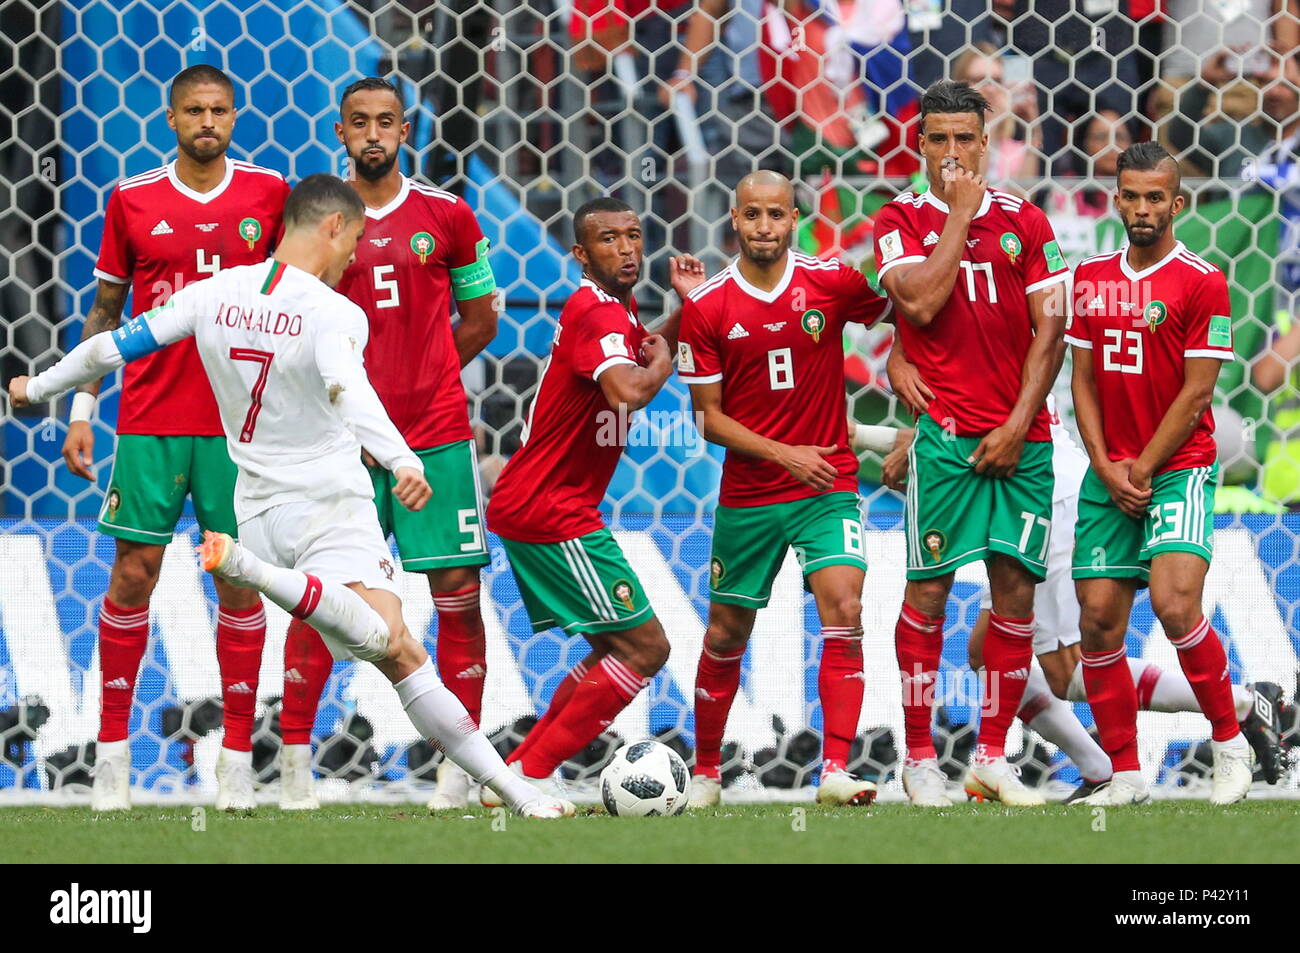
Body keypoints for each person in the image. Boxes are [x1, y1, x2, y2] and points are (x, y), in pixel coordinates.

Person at [8, 174, 573, 820]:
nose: (353, 257)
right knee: (393, 645)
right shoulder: (336, 312)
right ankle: (521, 793)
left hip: (255, 507)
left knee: (378, 640)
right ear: (333, 227)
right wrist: (400, 457)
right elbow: (347, 390)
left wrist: (40, 388)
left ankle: (258, 572)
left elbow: (115, 345)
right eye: (355, 240)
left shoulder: (214, 293)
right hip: (328, 506)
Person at [61, 65, 303, 812]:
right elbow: (106, 312)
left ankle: (236, 763)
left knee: (239, 579)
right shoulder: (133, 199)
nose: (208, 120)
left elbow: (300, 297)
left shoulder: (270, 195)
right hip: (150, 420)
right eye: (194, 109)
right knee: (133, 576)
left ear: (236, 116)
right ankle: (111, 763)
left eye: (219, 110)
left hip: (242, 427)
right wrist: (80, 410)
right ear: (171, 118)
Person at [868, 384, 1286, 800]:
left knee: (1067, 671)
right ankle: (1098, 767)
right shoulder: (962, 345)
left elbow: (977, 421)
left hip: (1045, 496)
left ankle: (1242, 704)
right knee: (983, 651)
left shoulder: (994, 336)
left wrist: (893, 441)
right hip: (1013, 499)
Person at [270, 77, 503, 812]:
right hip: (337, 448)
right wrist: (354, 413)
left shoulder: (449, 215)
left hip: (434, 439)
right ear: (340, 131)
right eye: (359, 123)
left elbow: (481, 320)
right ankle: (298, 766)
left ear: (406, 132)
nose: (374, 134)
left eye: (387, 123)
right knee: (321, 603)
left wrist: (424, 380)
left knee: (458, 599)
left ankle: (457, 772)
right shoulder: (315, 221)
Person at [872, 79, 1070, 808]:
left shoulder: (1030, 221)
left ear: (986, 142)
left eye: (965, 138)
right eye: (938, 139)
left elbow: (1051, 331)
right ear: (918, 143)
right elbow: (919, 301)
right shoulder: (898, 219)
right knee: (927, 591)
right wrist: (958, 216)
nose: (953, 152)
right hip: (947, 441)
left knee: (1015, 594)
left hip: (1025, 440)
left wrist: (1020, 422)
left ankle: (992, 757)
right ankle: (920, 757)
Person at [676, 171, 890, 808]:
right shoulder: (708, 305)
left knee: (845, 611)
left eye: (777, 215)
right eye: (753, 215)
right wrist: (783, 455)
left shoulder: (832, 281)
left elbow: (905, 312)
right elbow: (706, 418)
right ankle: (710, 772)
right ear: (734, 220)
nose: (765, 227)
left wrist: (900, 364)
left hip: (828, 486)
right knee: (723, 634)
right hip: (750, 496)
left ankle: (834, 771)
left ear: (795, 218)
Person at [481, 198, 704, 800]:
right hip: (552, 509)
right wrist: (662, 366)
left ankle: (513, 774)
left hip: (543, 504)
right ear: (581, 254)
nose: (627, 249)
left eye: (634, 236)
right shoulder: (597, 313)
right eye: (609, 240)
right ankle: (527, 777)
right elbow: (629, 387)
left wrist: (680, 315)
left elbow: (643, 347)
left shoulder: (613, 311)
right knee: (648, 647)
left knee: (615, 647)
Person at [1067, 142, 1253, 806]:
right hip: (1109, 470)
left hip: (1174, 468)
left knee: (1175, 604)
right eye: (1131, 195)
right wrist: (1103, 463)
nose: (1143, 208)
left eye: (1156, 198)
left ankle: (1231, 739)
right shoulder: (1089, 276)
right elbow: (1080, 380)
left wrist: (1140, 467)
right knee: (1096, 622)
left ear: (1177, 203)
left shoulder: (1202, 280)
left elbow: (1198, 393)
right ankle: (1124, 775)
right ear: (1115, 198)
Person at [951, 45, 1041, 188]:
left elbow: (1023, 200)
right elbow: (970, 188)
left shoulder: (1012, 149)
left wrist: (1032, 129)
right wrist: (993, 122)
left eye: (997, 80)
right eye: (980, 79)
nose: (991, 88)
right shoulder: (946, 141)